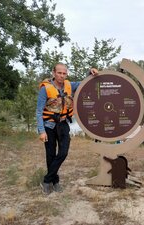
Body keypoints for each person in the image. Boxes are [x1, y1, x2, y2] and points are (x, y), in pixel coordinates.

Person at [36, 63, 98, 194]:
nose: (62, 75)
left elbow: (84, 83)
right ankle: (55, 182)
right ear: (54, 73)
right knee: (51, 155)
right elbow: (39, 111)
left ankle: (47, 180)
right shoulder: (45, 88)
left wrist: (90, 72)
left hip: (63, 124)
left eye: (64, 73)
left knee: (63, 153)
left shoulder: (70, 85)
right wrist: (41, 131)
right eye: (59, 73)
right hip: (49, 125)